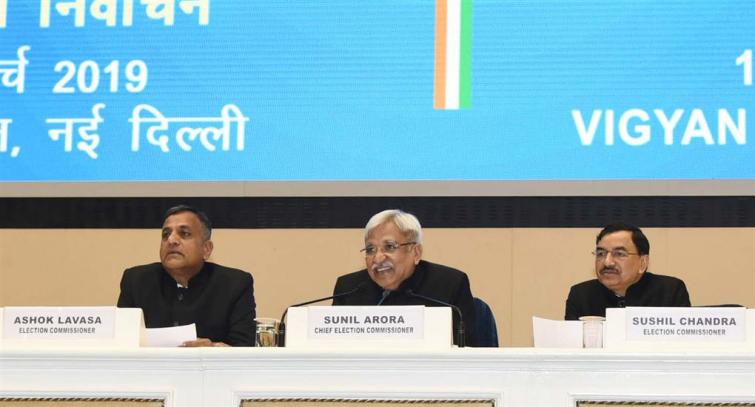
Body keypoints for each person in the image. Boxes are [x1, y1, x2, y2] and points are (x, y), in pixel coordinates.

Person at [332, 209, 478, 346]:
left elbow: (469, 351)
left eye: (389, 247)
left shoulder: (449, 284)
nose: (377, 258)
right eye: (370, 249)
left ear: (416, 253)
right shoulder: (349, 289)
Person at [117, 205, 256, 346]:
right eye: (166, 234)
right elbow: (121, 342)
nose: (171, 240)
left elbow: (245, 349)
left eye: (184, 234)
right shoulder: (136, 281)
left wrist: (212, 349)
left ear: (206, 249)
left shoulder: (235, 285)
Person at [565, 223, 690, 320]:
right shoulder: (581, 295)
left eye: (619, 254)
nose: (607, 262)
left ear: (643, 263)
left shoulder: (670, 291)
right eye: (601, 253)